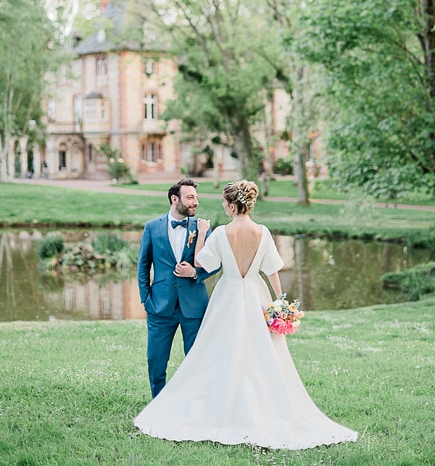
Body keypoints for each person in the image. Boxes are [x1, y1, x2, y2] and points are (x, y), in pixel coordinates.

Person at [134, 180, 357, 450]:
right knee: (262, 354)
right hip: (256, 295)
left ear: (230, 205)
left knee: (217, 352)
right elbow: (273, 269)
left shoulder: (220, 233)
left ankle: (217, 405)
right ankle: (264, 406)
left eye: (224, 203)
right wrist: (280, 302)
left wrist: (203, 233)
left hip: (227, 295)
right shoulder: (263, 232)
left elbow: (202, 262)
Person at [137, 178, 217, 397]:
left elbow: (213, 264)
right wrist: (145, 298)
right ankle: (158, 403)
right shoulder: (152, 227)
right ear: (175, 199)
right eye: (190, 197)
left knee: (196, 360)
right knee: (156, 359)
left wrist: (194, 272)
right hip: (160, 306)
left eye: (196, 198)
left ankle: (193, 403)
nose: (195, 203)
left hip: (194, 305)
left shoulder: (201, 228)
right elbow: (143, 265)